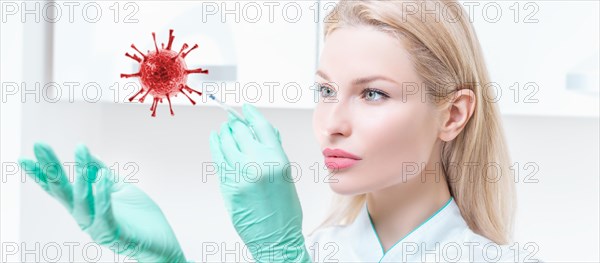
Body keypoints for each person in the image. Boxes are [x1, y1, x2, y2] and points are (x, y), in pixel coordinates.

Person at [19, 0, 541, 262]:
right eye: (325, 90)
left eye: (373, 93)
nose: (333, 124)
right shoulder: (319, 247)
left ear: (453, 115)